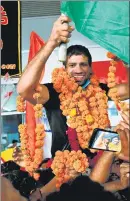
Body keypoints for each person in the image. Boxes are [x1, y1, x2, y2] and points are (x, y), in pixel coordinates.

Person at [17, 15, 109, 157]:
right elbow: (24, 89)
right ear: (64, 68)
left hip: (99, 164)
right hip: (64, 169)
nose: (78, 70)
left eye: (83, 64)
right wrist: (52, 43)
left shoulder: (99, 90)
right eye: (72, 65)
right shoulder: (54, 91)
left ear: (90, 68)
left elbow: (125, 90)